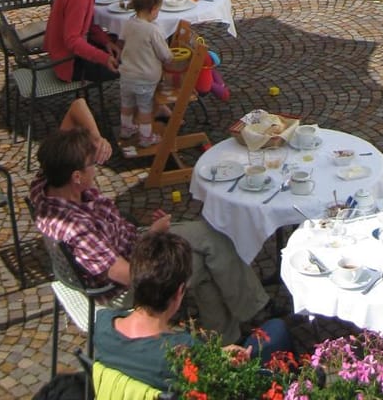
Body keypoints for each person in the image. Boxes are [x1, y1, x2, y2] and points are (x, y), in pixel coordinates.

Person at [30, 127, 270, 344]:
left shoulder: (48, 183)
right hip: (130, 284)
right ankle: (233, 335)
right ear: (76, 177)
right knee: (204, 267)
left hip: (136, 241)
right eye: (92, 163)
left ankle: (244, 319)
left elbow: (77, 108)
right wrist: (154, 237)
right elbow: (130, 276)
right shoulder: (78, 230)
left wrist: (96, 138)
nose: (96, 168)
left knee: (212, 236)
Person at [93, 231, 290, 391]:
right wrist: (227, 360)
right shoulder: (182, 351)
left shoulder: (102, 325)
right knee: (276, 329)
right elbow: (216, 382)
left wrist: (219, 353)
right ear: (180, 291)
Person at [119, 0, 172, 147]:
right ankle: (146, 137)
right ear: (153, 9)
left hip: (126, 74)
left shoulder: (128, 23)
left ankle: (126, 128)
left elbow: (123, 41)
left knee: (127, 104)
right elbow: (164, 54)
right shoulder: (152, 30)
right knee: (145, 109)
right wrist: (170, 59)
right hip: (145, 78)